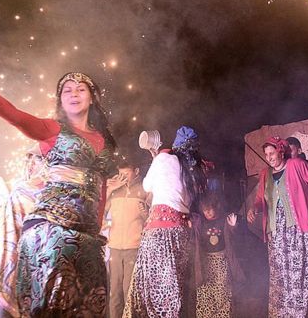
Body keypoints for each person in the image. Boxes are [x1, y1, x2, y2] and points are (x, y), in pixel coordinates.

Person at [0, 68, 118, 317]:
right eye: (67, 90)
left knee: (92, 303)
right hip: (51, 229)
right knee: (52, 303)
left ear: (92, 98)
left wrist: (97, 229)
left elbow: (100, 186)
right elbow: (16, 117)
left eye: (81, 89)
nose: (74, 93)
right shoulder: (53, 130)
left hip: (88, 237)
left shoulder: (103, 141)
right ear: (60, 100)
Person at [247, 136, 308, 318]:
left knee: (300, 272)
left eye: (272, 153)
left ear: (281, 151)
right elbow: (260, 199)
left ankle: (302, 312)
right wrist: (253, 208)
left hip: (297, 229)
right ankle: (283, 313)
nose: (269, 157)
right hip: (276, 233)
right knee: (280, 274)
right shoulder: (265, 174)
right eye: (266, 154)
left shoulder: (297, 165)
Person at [123, 126, 207, 318]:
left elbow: (147, 185)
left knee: (154, 288)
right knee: (176, 285)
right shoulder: (195, 171)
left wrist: (157, 157)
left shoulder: (164, 158)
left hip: (158, 232)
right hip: (181, 232)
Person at [0, 145, 46, 317]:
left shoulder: (55, 195)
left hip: (40, 265)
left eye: (37, 161)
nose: (31, 166)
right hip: (11, 262)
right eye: (29, 161)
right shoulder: (19, 190)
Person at [104, 157, 150, 318]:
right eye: (120, 173)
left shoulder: (145, 190)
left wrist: (146, 213)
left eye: (126, 173)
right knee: (114, 291)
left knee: (128, 290)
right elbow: (100, 213)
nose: (122, 177)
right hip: (114, 247)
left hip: (134, 248)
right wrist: (109, 190)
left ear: (136, 172)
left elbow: (151, 220)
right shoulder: (115, 190)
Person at [193, 193, 244, 318]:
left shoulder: (224, 220)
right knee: (206, 291)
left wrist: (233, 226)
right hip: (206, 263)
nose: (207, 212)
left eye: (210, 209)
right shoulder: (201, 222)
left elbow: (233, 237)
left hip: (221, 261)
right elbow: (195, 239)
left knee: (223, 291)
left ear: (216, 207)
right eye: (205, 210)